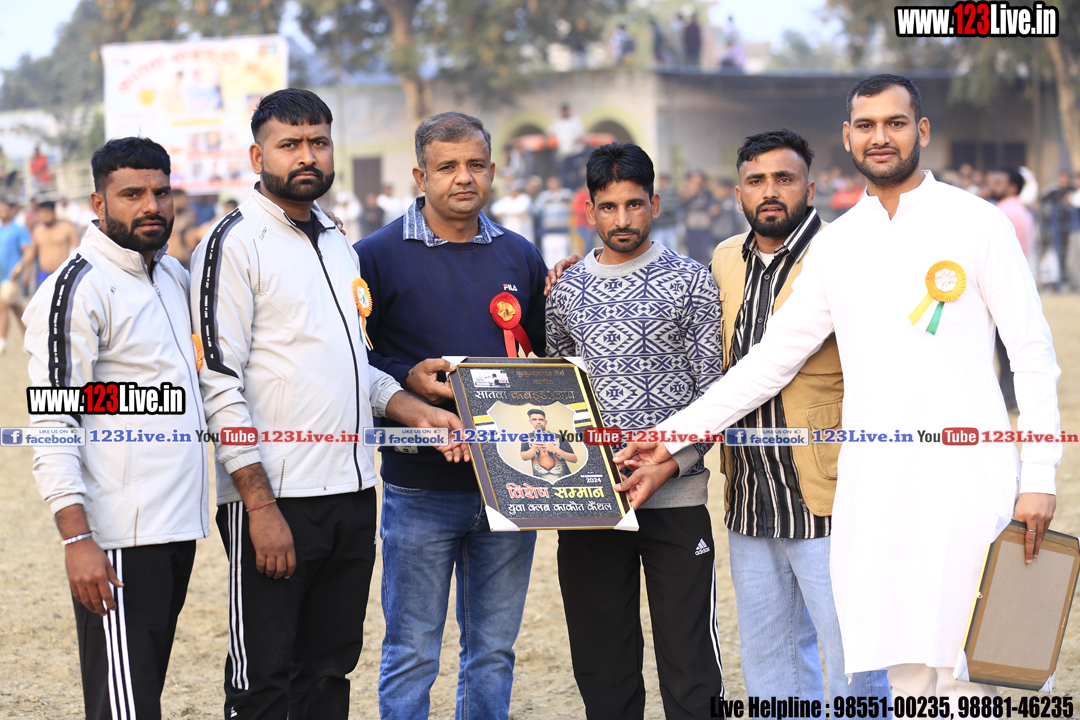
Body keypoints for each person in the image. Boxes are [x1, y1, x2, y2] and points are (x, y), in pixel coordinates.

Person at [615, 74, 1059, 699]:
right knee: (905, 670)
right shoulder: (840, 244)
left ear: (921, 130)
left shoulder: (977, 223)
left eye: (895, 123)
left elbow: (1032, 355)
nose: (881, 137)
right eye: (867, 125)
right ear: (848, 137)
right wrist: (670, 436)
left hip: (967, 479)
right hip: (875, 489)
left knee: (969, 671)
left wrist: (1039, 476)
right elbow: (770, 362)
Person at [189, 88, 466, 719]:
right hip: (276, 498)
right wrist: (259, 506)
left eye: (318, 142)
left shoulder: (338, 241)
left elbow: (355, 366)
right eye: (289, 144)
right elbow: (219, 385)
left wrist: (415, 410)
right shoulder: (233, 242)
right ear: (257, 156)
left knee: (329, 668)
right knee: (264, 677)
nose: (306, 156)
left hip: (353, 491)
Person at [354, 111, 546, 720]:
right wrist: (406, 375)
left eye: (476, 165)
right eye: (447, 166)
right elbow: (352, 357)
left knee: (493, 651)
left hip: (509, 485)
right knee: (411, 650)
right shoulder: (374, 256)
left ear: (493, 170)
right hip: (419, 487)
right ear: (420, 175)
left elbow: (544, 362)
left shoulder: (520, 255)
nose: (464, 178)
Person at [24, 136, 209, 719]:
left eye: (161, 192)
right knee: (124, 707)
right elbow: (53, 421)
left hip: (174, 529)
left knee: (139, 694)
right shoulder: (76, 288)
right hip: (117, 539)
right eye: (132, 194)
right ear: (98, 204)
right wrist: (77, 541)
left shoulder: (171, 275)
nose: (151, 205)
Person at [545, 141, 725, 719]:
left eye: (634, 204)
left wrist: (672, 461)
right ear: (590, 210)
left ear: (655, 204)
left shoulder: (692, 281)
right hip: (590, 503)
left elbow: (714, 395)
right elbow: (555, 390)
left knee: (690, 660)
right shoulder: (566, 290)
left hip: (676, 498)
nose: (622, 219)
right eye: (608, 207)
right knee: (603, 662)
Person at [711, 129, 890, 700]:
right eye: (756, 180)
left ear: (810, 189)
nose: (770, 191)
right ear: (738, 193)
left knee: (853, 659)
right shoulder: (724, 259)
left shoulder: (845, 253)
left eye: (784, 179)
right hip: (749, 494)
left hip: (826, 490)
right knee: (770, 658)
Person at [988, 166, 1038, 411]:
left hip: (1002, 285)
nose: (993, 185)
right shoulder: (1022, 211)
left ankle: (1010, 396)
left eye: (999, 182)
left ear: (1012, 187)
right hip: (1018, 283)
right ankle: (1011, 395)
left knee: (1005, 347)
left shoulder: (1001, 212)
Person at [15, 199, 80, 289]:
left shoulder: (66, 227)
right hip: (44, 274)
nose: (44, 215)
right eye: (42, 213)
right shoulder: (37, 230)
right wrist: (20, 266)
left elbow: (78, 249)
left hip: (64, 273)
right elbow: (31, 252)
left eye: (47, 212)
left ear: (53, 212)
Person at [0, 198, 30, 350]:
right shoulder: (1, 230)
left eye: (4, 209)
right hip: (1, 276)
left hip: (12, 277)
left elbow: (28, 251)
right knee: (17, 310)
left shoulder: (19, 229)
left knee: (2, 306)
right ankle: (28, 339)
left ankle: (2, 341)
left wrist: (21, 268)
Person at [518, 408, 577, 482]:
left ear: (545, 422)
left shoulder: (558, 436)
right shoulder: (526, 437)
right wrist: (534, 449)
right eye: (534, 419)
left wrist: (556, 449)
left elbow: (574, 459)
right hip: (541, 481)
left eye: (541, 419)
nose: (538, 422)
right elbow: (524, 457)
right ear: (530, 422)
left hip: (565, 478)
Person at [533, 175, 573, 266]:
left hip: (563, 232)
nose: (552, 184)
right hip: (548, 232)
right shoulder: (543, 196)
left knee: (564, 257)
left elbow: (573, 208)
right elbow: (536, 210)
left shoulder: (567, 194)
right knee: (549, 258)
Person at [549, 103, 587, 189]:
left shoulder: (575, 121)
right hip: (564, 155)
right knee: (564, 176)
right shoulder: (558, 122)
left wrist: (575, 140)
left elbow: (581, 135)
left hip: (575, 153)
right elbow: (549, 133)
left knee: (577, 175)